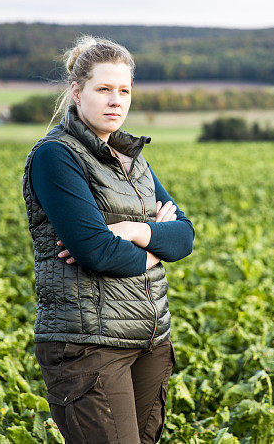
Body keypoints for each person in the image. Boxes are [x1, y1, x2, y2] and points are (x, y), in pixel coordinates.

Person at [21, 35, 195, 443]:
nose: (116, 100)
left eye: (124, 90)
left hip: (150, 340)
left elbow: (185, 236)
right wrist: (156, 247)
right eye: (104, 89)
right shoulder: (56, 156)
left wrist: (135, 232)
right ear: (77, 92)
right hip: (89, 346)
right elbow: (95, 251)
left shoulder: (133, 160)